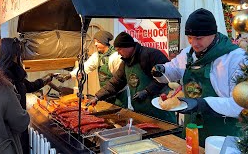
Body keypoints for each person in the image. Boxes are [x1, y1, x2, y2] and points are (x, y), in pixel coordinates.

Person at [151, 8, 247, 146]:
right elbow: (173, 71)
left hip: (222, 132)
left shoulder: (235, 58)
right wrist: (161, 70)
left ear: (213, 34)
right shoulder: (188, 53)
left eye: (198, 38)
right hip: (192, 127)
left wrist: (203, 104)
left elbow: (239, 105)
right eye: (189, 38)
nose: (193, 43)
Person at [89, 31, 176, 123]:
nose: (118, 53)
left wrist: (147, 91)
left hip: (160, 111)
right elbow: (115, 82)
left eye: (119, 50)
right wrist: (97, 97)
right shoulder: (126, 62)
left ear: (128, 47)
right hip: (141, 112)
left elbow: (167, 77)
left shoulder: (152, 55)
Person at [0, 37, 55, 154]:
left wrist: (46, 79)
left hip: (20, 125)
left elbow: (28, 86)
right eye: (19, 53)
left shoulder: (15, 72)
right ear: (13, 54)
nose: (20, 57)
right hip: (12, 130)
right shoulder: (3, 76)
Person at [56, 30, 130, 108]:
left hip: (118, 96)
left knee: (119, 117)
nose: (95, 44)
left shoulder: (115, 57)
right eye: (95, 41)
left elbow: (119, 80)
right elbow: (85, 67)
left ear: (104, 42)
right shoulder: (97, 56)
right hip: (105, 94)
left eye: (97, 41)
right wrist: (69, 75)